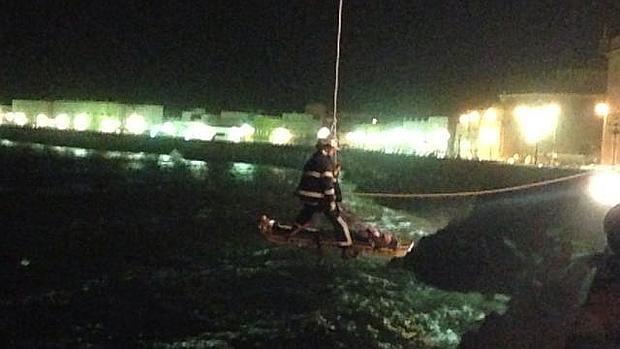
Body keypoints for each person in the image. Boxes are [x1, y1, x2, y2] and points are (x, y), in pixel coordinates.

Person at [292, 137, 353, 255]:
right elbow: (327, 185)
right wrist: (332, 202)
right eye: (333, 149)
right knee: (336, 218)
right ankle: (346, 245)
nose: (334, 152)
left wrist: (333, 174)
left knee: (306, 213)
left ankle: (292, 231)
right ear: (328, 148)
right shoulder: (325, 162)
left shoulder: (312, 159)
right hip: (317, 197)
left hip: (306, 196)